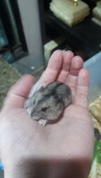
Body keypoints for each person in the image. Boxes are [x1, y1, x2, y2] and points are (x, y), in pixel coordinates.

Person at [0, 50, 94, 178]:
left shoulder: (58, 104)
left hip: (58, 93)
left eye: (44, 110)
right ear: (39, 91)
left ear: (57, 103)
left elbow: (55, 115)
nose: (33, 113)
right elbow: (37, 100)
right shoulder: (40, 95)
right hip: (48, 93)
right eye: (34, 102)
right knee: (39, 104)